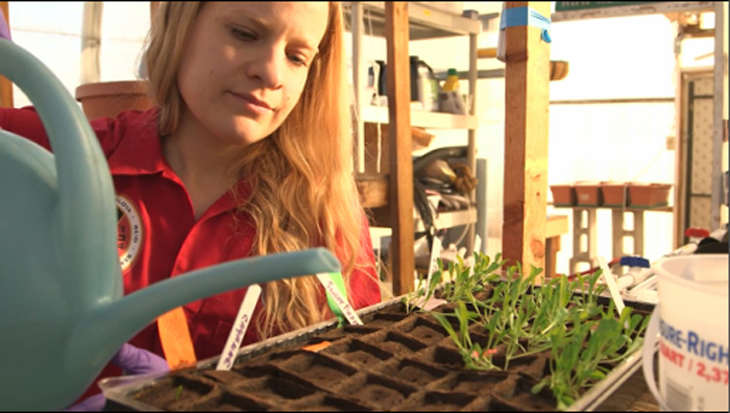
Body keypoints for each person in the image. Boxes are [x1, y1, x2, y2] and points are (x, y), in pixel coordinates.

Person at [0, 2, 383, 409]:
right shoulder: (60, 153)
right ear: (181, 25)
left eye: (296, 56)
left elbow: (359, 375)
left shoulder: (326, 219)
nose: (271, 74)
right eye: (245, 34)